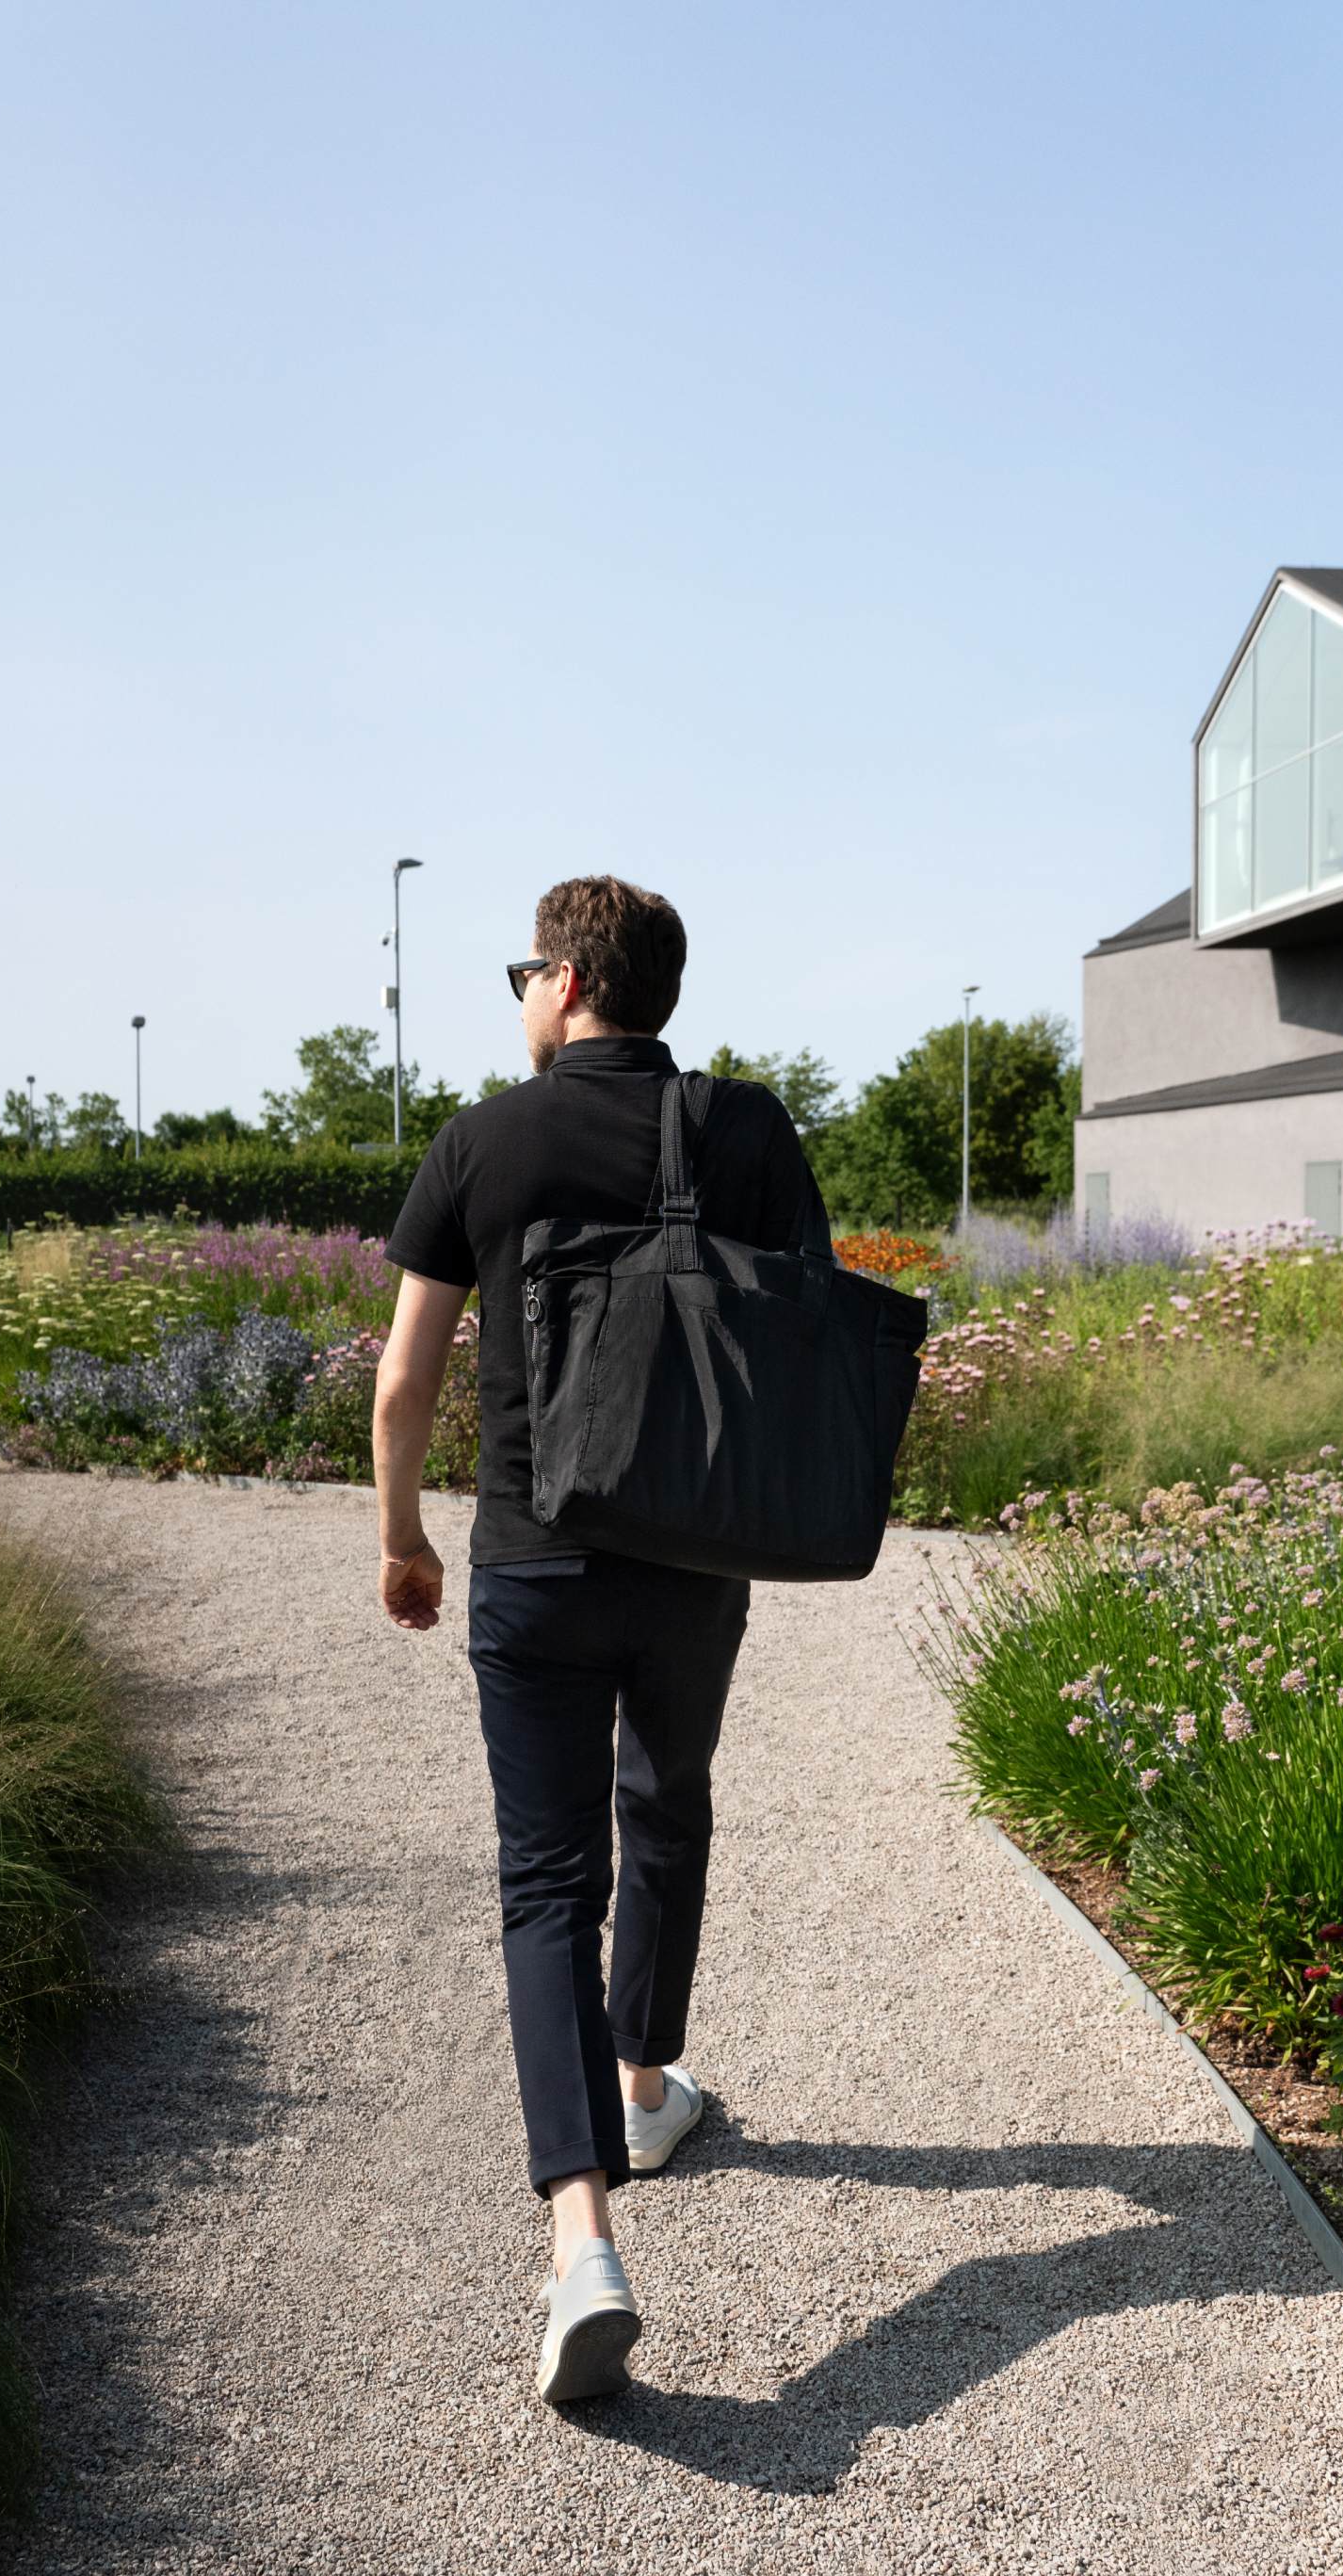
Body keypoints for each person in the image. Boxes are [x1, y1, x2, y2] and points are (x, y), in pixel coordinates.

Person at [370, 874, 816, 2406]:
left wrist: (402, 1538)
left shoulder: (485, 1139)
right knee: (668, 1802)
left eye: (522, 971)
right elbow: (805, 1336)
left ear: (567, 981)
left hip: (536, 1563)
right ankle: (642, 2086)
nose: (520, 996)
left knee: (548, 1880)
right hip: (694, 1567)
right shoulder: (748, 1131)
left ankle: (583, 2238)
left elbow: (403, 1386)